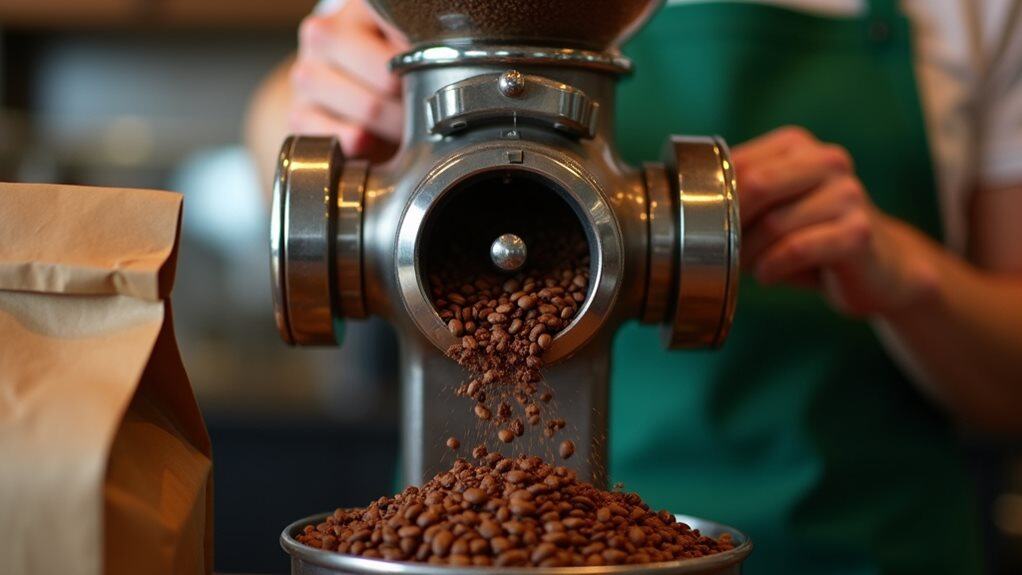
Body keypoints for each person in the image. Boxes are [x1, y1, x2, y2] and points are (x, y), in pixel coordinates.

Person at [246, 0, 1022, 572]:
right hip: (447, 544)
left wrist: (911, 277)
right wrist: (305, 100)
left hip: (861, 548)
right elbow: (279, 133)